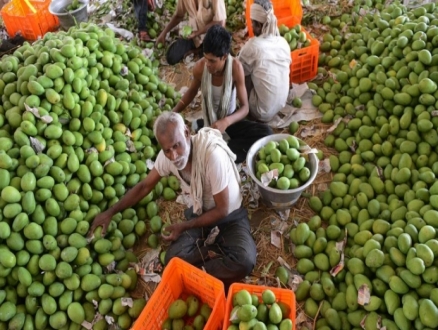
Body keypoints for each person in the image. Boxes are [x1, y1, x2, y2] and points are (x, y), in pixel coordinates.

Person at [89, 112, 257, 290]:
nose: (174, 156)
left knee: (244, 261)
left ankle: (194, 272)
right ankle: (211, 255)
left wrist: (184, 226)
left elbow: (222, 210)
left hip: (230, 216)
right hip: (202, 212)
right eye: (167, 150)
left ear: (186, 132)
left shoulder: (211, 155)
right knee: (172, 259)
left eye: (177, 146)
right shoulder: (168, 157)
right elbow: (144, 187)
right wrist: (110, 212)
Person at [172, 24, 273, 163]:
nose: (208, 64)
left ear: (224, 57)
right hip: (210, 121)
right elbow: (192, 91)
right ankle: (214, 142)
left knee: (266, 133)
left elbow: (245, 108)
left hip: (230, 120)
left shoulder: (236, 68)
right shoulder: (200, 68)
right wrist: (174, 112)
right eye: (206, 58)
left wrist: (226, 121)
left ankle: (219, 150)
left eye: (212, 61)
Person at [238, 0, 291, 123]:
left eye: (252, 23)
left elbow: (237, 70)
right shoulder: (283, 42)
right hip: (281, 104)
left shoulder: (253, 46)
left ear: (258, 25)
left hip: (261, 112)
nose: (251, 26)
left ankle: (244, 108)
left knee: (240, 70)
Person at [155, 0, 226, 65]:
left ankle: (199, 50)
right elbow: (178, 16)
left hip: (211, 36)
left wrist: (197, 33)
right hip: (194, 37)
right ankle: (198, 49)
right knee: (172, 57)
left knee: (209, 61)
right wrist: (163, 33)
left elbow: (220, 23)